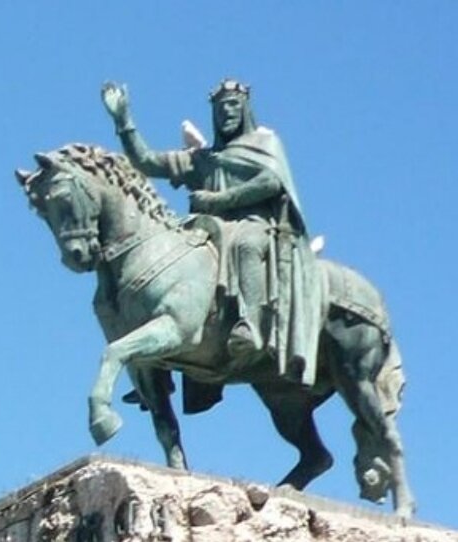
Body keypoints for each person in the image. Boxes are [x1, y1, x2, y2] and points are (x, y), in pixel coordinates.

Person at [101, 79, 325, 385]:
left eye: (233, 106)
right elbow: (147, 162)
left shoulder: (263, 145)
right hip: (209, 230)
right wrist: (124, 122)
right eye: (220, 109)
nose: (226, 113)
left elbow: (271, 182)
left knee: (246, 246)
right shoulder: (202, 159)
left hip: (257, 224)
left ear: (245, 109)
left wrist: (220, 199)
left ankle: (250, 325)